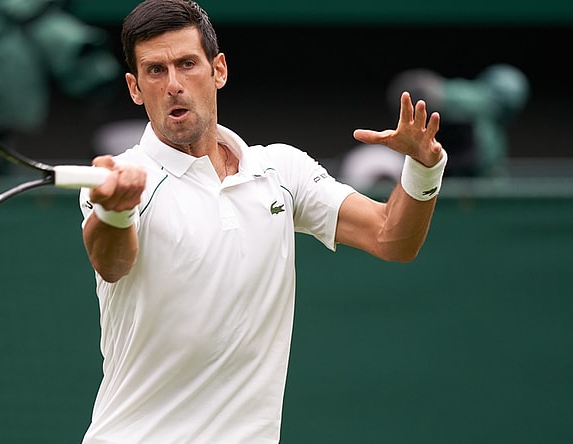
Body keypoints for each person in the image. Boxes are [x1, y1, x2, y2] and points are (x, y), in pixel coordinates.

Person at [78, 0, 447, 442]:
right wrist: (115, 209)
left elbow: (392, 239)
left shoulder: (281, 170)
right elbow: (112, 264)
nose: (173, 84)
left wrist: (424, 168)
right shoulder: (117, 180)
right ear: (135, 88)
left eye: (187, 64)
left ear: (219, 70)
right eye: (155, 71)